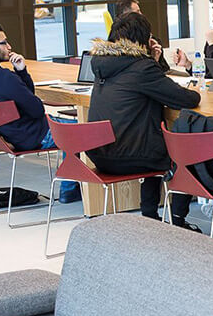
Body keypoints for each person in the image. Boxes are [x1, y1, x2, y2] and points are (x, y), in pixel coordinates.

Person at [86, 12, 202, 228]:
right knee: (181, 149)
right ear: (142, 40)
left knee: (152, 140)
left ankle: (150, 216)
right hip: (128, 156)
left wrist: (152, 62)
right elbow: (185, 99)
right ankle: (177, 219)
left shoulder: (102, 64)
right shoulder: (141, 67)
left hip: (99, 156)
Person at [0, 23, 80, 201]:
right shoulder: (4, 77)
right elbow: (36, 108)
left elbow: (27, 99)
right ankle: (69, 189)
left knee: (74, 126)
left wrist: (21, 71)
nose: (9, 47)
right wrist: (21, 75)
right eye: (5, 42)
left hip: (11, 135)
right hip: (33, 135)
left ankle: (72, 186)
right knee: (81, 130)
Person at [114, 0, 170, 71]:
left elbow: (165, 69)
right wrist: (153, 60)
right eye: (137, 12)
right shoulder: (119, 48)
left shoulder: (152, 41)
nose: (142, 15)